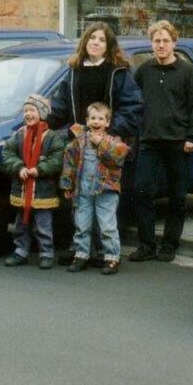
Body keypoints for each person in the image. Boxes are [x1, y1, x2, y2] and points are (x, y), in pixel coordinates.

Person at [48, 21, 142, 263]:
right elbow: (59, 106)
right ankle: (81, 249)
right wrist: (43, 123)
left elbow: (133, 108)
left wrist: (109, 131)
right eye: (92, 38)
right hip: (79, 145)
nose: (96, 43)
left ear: (108, 45)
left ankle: (104, 251)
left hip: (107, 144)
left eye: (101, 39)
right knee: (81, 200)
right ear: (85, 42)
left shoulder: (118, 72)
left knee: (105, 201)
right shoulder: (74, 70)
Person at [129, 20, 193, 263]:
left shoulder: (188, 72)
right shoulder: (144, 70)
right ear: (152, 44)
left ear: (174, 43)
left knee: (177, 196)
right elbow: (131, 99)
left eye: (165, 41)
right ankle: (147, 245)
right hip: (149, 141)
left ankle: (169, 245)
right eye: (157, 41)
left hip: (178, 142)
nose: (161, 45)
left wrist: (192, 136)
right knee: (141, 191)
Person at [59, 102, 131, 275]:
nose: (96, 122)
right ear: (87, 120)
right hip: (83, 190)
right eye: (93, 118)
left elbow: (119, 157)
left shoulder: (113, 141)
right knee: (82, 224)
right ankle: (81, 254)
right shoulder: (79, 141)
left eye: (100, 118)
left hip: (105, 191)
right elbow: (69, 161)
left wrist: (101, 144)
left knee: (107, 225)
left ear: (107, 122)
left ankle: (112, 257)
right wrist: (67, 183)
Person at [1, 94, 66, 270]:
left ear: (42, 113)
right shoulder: (19, 134)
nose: (27, 114)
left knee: (43, 226)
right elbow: (8, 153)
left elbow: (56, 159)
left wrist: (40, 169)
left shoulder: (52, 137)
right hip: (22, 190)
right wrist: (19, 167)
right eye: (25, 111)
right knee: (21, 224)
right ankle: (20, 251)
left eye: (32, 110)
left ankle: (46, 253)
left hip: (43, 191)